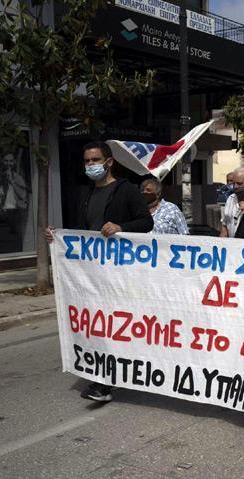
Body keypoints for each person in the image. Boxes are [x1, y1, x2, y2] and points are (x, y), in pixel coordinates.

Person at [45, 140, 153, 403]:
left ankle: (107, 379)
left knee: (115, 324)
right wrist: (57, 237)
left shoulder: (126, 190)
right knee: (99, 326)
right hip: (92, 275)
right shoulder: (85, 194)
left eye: (95, 160)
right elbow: (80, 231)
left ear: (109, 162)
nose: (90, 165)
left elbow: (146, 222)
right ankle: (104, 375)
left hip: (120, 274)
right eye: (86, 161)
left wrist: (121, 227)